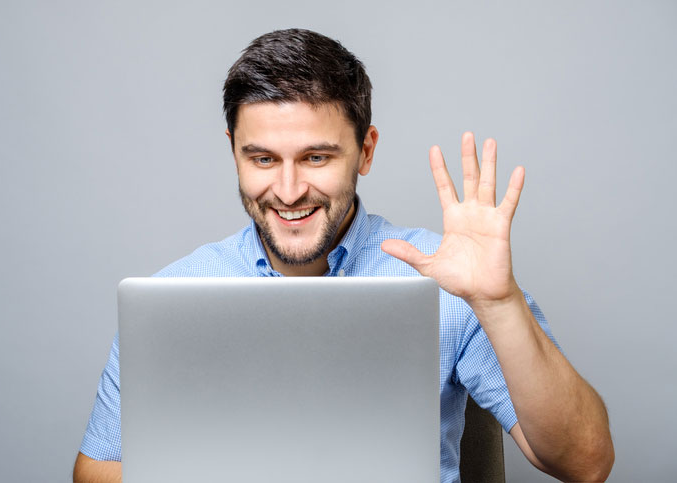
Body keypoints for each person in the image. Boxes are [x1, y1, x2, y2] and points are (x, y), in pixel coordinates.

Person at [73, 28, 614, 482]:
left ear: (366, 150)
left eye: (315, 157)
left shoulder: (449, 277)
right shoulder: (173, 296)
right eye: (262, 158)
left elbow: (586, 463)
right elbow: (95, 470)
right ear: (233, 151)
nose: (287, 191)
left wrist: (498, 302)